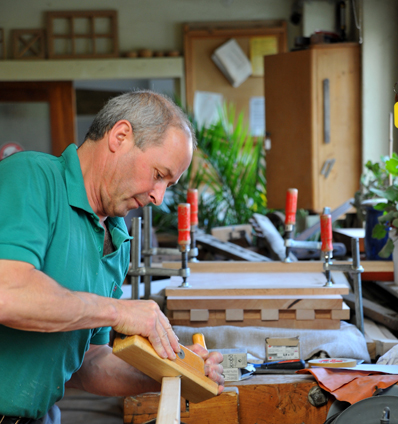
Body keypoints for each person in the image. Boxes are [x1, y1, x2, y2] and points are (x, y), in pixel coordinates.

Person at [0, 90, 224, 423]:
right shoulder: (32, 176)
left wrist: (172, 371)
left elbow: (89, 363)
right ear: (120, 136)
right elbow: (9, 294)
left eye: (169, 184)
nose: (158, 197)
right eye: (159, 175)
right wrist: (118, 311)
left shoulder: (116, 239)